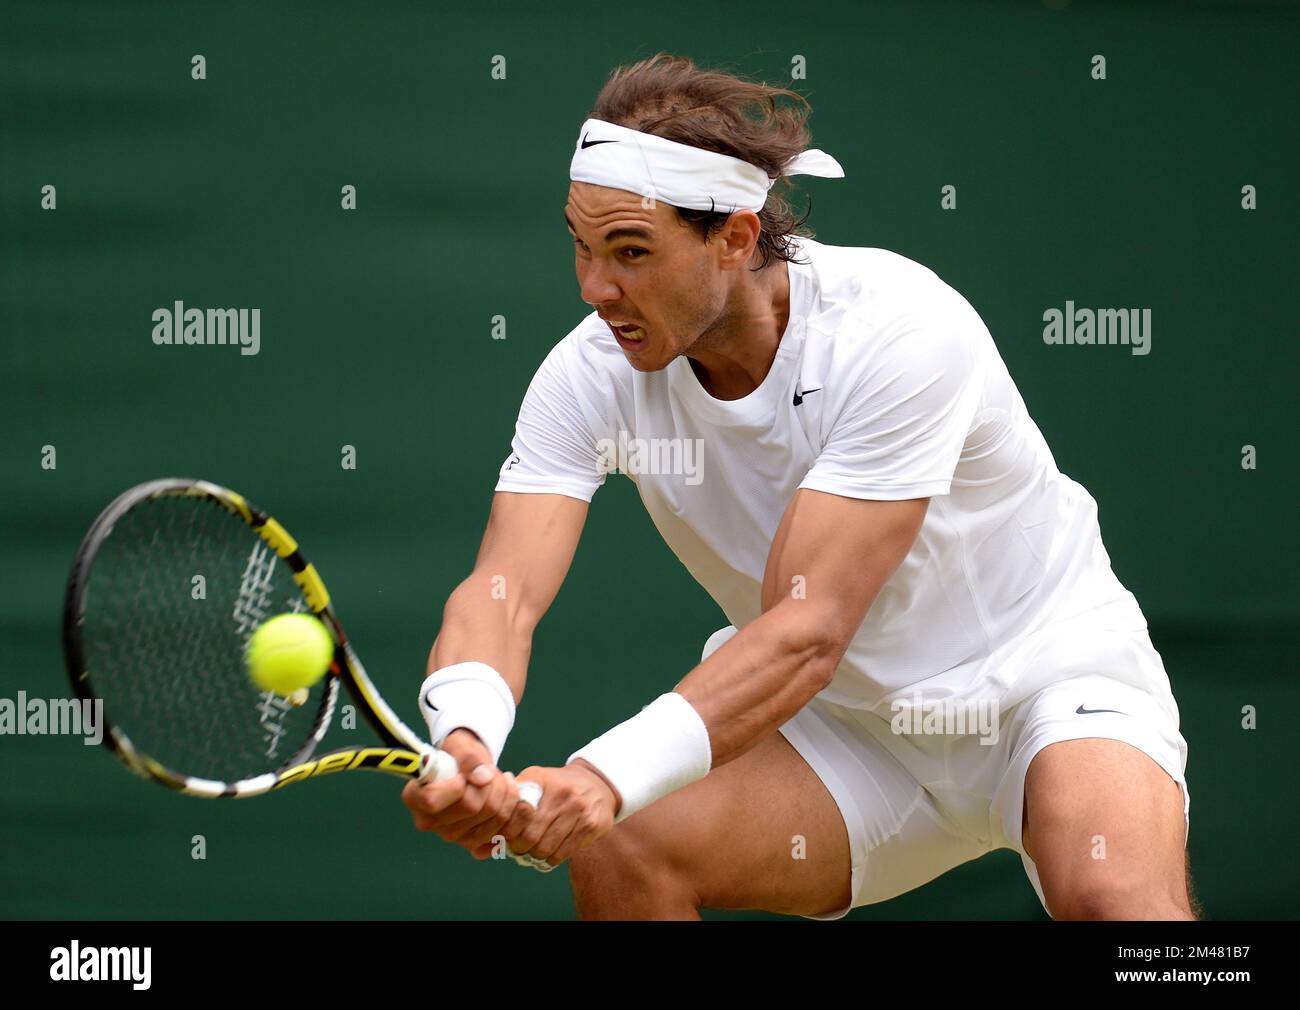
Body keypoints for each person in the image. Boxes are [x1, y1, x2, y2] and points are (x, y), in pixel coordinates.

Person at [401, 53, 1196, 921]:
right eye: (581, 247)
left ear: (736, 238)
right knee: (626, 847)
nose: (596, 289)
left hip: (1042, 680)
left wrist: (604, 775)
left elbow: (806, 630)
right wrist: (466, 737)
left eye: (631, 252)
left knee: (1118, 905)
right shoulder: (586, 375)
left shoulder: (899, 328)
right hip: (845, 735)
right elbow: (501, 592)